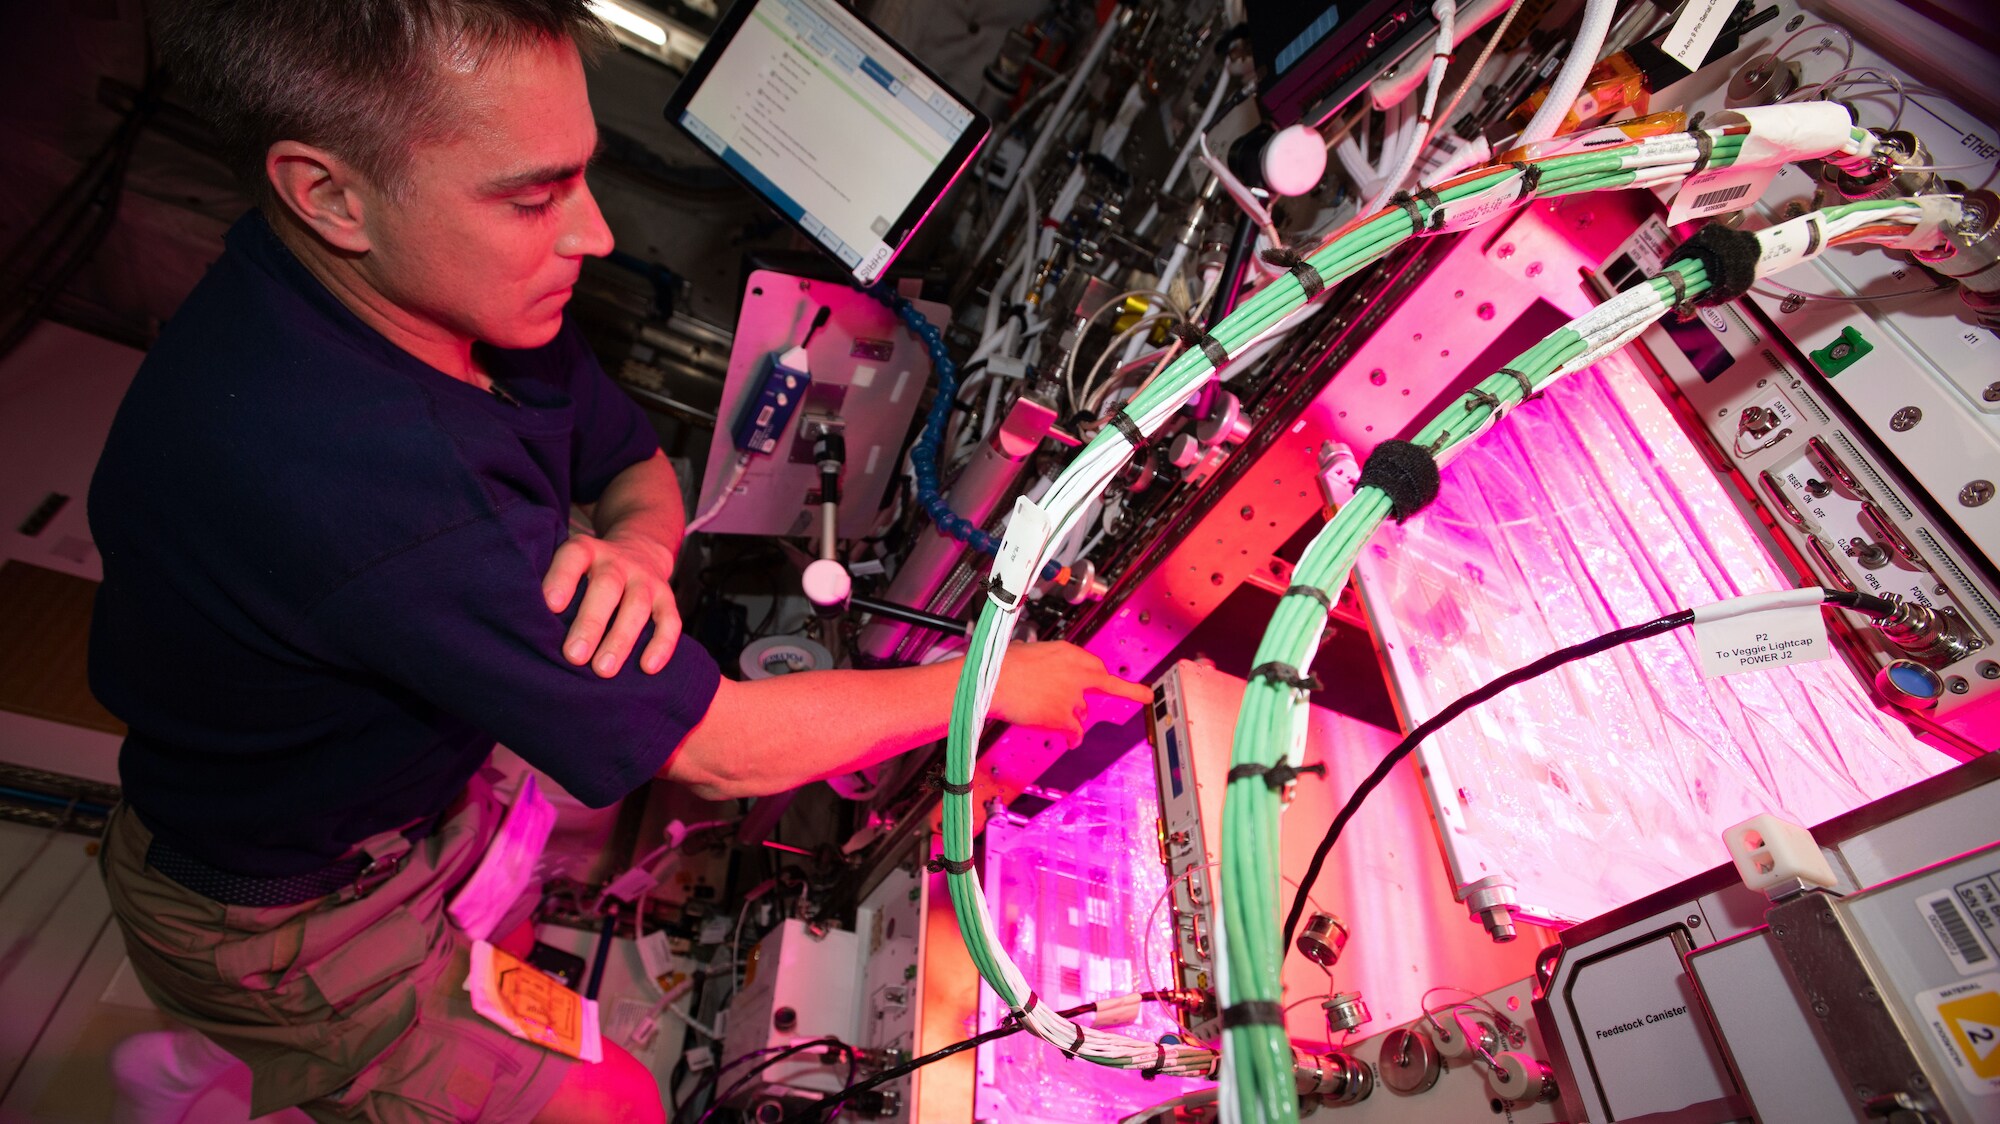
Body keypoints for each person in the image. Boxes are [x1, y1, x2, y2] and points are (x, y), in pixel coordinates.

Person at [86, 3, 1148, 1121]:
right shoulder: (368, 479)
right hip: (278, 918)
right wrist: (999, 683)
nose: (592, 234)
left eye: (582, 176)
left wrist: (639, 547)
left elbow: (635, 456)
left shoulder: (427, 294)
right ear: (330, 194)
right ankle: (256, 1050)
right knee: (620, 1103)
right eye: (534, 195)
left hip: (401, 807)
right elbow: (726, 753)